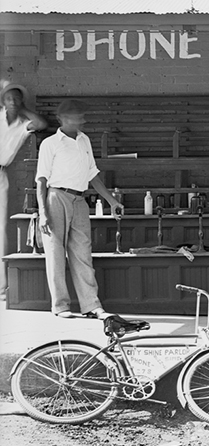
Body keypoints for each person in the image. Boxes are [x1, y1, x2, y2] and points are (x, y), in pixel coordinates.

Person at [35, 99, 123, 318]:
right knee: (55, 253)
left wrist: (112, 201)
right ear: (63, 119)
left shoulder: (84, 140)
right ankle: (61, 306)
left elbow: (93, 174)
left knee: (83, 252)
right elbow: (41, 181)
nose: (82, 121)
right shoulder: (50, 144)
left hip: (80, 199)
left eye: (82, 116)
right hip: (56, 197)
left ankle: (91, 305)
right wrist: (43, 213)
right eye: (77, 117)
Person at [0, 80, 48, 299]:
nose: (13, 102)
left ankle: (1, 286)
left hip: (1, 173)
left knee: (1, 231)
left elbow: (41, 124)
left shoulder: (22, 124)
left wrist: (22, 109)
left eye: (17, 98)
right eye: (9, 98)